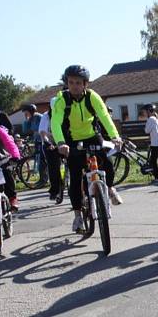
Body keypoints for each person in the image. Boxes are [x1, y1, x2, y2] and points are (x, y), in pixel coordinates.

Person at [51, 65, 123, 234]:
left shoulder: (92, 97)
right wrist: (61, 142)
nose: (74, 85)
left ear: (85, 84)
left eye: (78, 82)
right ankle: (77, 216)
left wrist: (115, 136)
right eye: (71, 82)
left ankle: (110, 188)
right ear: (66, 83)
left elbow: (104, 116)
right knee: (76, 178)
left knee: (107, 162)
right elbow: (55, 122)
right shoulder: (62, 99)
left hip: (92, 135)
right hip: (71, 139)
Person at [21, 104, 47, 187]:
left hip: (43, 141)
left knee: (42, 161)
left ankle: (44, 180)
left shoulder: (40, 117)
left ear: (31, 111)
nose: (25, 114)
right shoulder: (31, 119)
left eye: (26, 113)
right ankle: (41, 179)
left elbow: (43, 128)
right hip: (36, 141)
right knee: (38, 159)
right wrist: (26, 120)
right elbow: (25, 130)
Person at [142, 104, 158, 184]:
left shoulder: (150, 119)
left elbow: (147, 131)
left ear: (149, 111)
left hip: (155, 143)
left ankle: (156, 179)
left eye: (145, 112)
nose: (144, 114)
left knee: (153, 161)